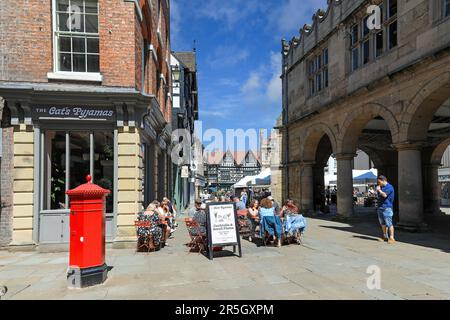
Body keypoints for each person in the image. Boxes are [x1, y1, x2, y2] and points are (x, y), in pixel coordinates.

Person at [376, 175, 395, 244]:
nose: (379, 183)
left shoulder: (389, 187)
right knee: (382, 223)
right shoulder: (381, 187)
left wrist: (379, 190)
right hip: (380, 207)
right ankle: (385, 236)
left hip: (387, 207)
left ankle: (392, 237)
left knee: (389, 223)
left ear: (384, 180)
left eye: (379, 182)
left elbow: (384, 195)